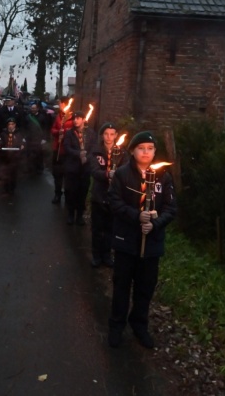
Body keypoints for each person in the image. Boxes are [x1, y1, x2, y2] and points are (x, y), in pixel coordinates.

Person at [107, 131, 176, 350]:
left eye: (150, 149)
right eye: (141, 148)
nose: (146, 152)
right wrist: (137, 216)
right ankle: (116, 325)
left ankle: (139, 324)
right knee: (121, 285)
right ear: (132, 151)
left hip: (151, 244)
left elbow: (170, 208)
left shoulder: (163, 176)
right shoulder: (122, 174)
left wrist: (155, 223)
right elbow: (114, 202)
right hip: (126, 241)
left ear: (155, 152)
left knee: (145, 287)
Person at [89, 122, 129, 268]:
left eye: (112, 134)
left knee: (110, 228)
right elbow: (94, 171)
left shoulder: (122, 153)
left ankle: (106, 255)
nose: (109, 137)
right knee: (97, 228)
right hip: (99, 195)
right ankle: (96, 255)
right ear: (102, 135)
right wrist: (107, 174)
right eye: (106, 134)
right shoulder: (96, 151)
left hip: (114, 197)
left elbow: (126, 170)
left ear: (116, 135)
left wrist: (117, 175)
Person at [62, 111, 97, 226]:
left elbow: (94, 148)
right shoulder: (69, 133)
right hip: (72, 168)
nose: (75, 120)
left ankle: (80, 215)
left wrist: (87, 157)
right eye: (74, 118)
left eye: (78, 118)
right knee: (71, 191)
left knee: (83, 192)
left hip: (85, 169)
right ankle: (71, 214)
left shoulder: (90, 133)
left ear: (83, 119)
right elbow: (67, 147)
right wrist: (78, 154)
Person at [50, 97, 73, 204]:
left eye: (60, 103)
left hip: (67, 151)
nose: (59, 105)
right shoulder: (58, 116)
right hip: (57, 149)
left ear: (64, 104)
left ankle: (68, 196)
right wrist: (57, 131)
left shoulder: (73, 117)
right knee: (57, 173)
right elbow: (53, 129)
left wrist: (64, 132)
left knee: (68, 175)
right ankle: (57, 194)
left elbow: (74, 132)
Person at [0, 118, 25, 195]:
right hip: (5, 156)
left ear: (15, 125)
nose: (10, 126)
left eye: (12, 124)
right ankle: (5, 188)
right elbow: (0, 140)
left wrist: (22, 145)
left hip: (15, 156)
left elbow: (22, 141)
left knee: (13, 173)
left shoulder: (19, 133)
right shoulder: (3, 133)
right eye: (9, 124)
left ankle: (12, 188)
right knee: (5, 172)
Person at [24, 102, 47, 175]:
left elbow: (45, 128)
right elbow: (24, 128)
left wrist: (44, 138)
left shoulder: (42, 117)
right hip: (29, 139)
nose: (33, 109)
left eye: (34, 108)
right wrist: (24, 137)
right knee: (29, 154)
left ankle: (39, 168)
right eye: (32, 108)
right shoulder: (27, 117)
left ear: (37, 109)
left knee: (39, 154)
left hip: (38, 139)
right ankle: (30, 168)